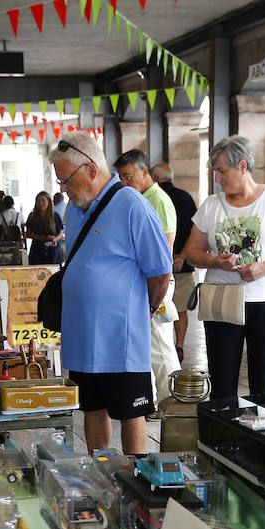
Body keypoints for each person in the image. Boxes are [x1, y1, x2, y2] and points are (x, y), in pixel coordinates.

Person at [49, 133, 172, 453]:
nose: (62, 188)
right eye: (59, 180)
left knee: (130, 412)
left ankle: (136, 477)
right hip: (81, 336)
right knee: (91, 408)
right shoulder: (74, 210)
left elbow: (160, 273)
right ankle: (99, 471)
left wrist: (138, 313)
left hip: (121, 338)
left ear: (90, 169)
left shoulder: (133, 206)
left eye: (66, 179)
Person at [181, 136, 265, 399]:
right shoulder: (212, 205)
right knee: (222, 380)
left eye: (222, 171)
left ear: (243, 166)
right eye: (215, 172)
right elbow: (191, 252)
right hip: (222, 300)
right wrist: (214, 261)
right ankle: (224, 437)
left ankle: (263, 435)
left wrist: (263, 267)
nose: (218, 178)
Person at [115, 149, 181, 406]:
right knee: (150, 344)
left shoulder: (157, 200)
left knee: (160, 344)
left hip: (157, 282)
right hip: (144, 281)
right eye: (121, 177)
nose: (124, 183)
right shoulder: (141, 197)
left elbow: (164, 250)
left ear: (145, 172)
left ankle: (173, 399)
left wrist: (157, 290)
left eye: (128, 176)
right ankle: (154, 398)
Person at [152, 161, 204, 371]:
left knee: (160, 307)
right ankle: (179, 345)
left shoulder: (153, 198)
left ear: (155, 177)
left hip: (159, 267)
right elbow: (195, 231)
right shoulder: (185, 197)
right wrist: (182, 256)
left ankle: (164, 345)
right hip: (183, 266)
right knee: (181, 309)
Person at [25, 191, 64, 265]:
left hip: (52, 250)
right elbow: (28, 234)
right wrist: (42, 237)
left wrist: (55, 239)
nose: (40, 203)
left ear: (49, 202)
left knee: (53, 273)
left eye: (43, 200)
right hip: (37, 250)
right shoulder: (32, 216)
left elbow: (60, 232)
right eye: (38, 201)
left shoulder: (55, 216)